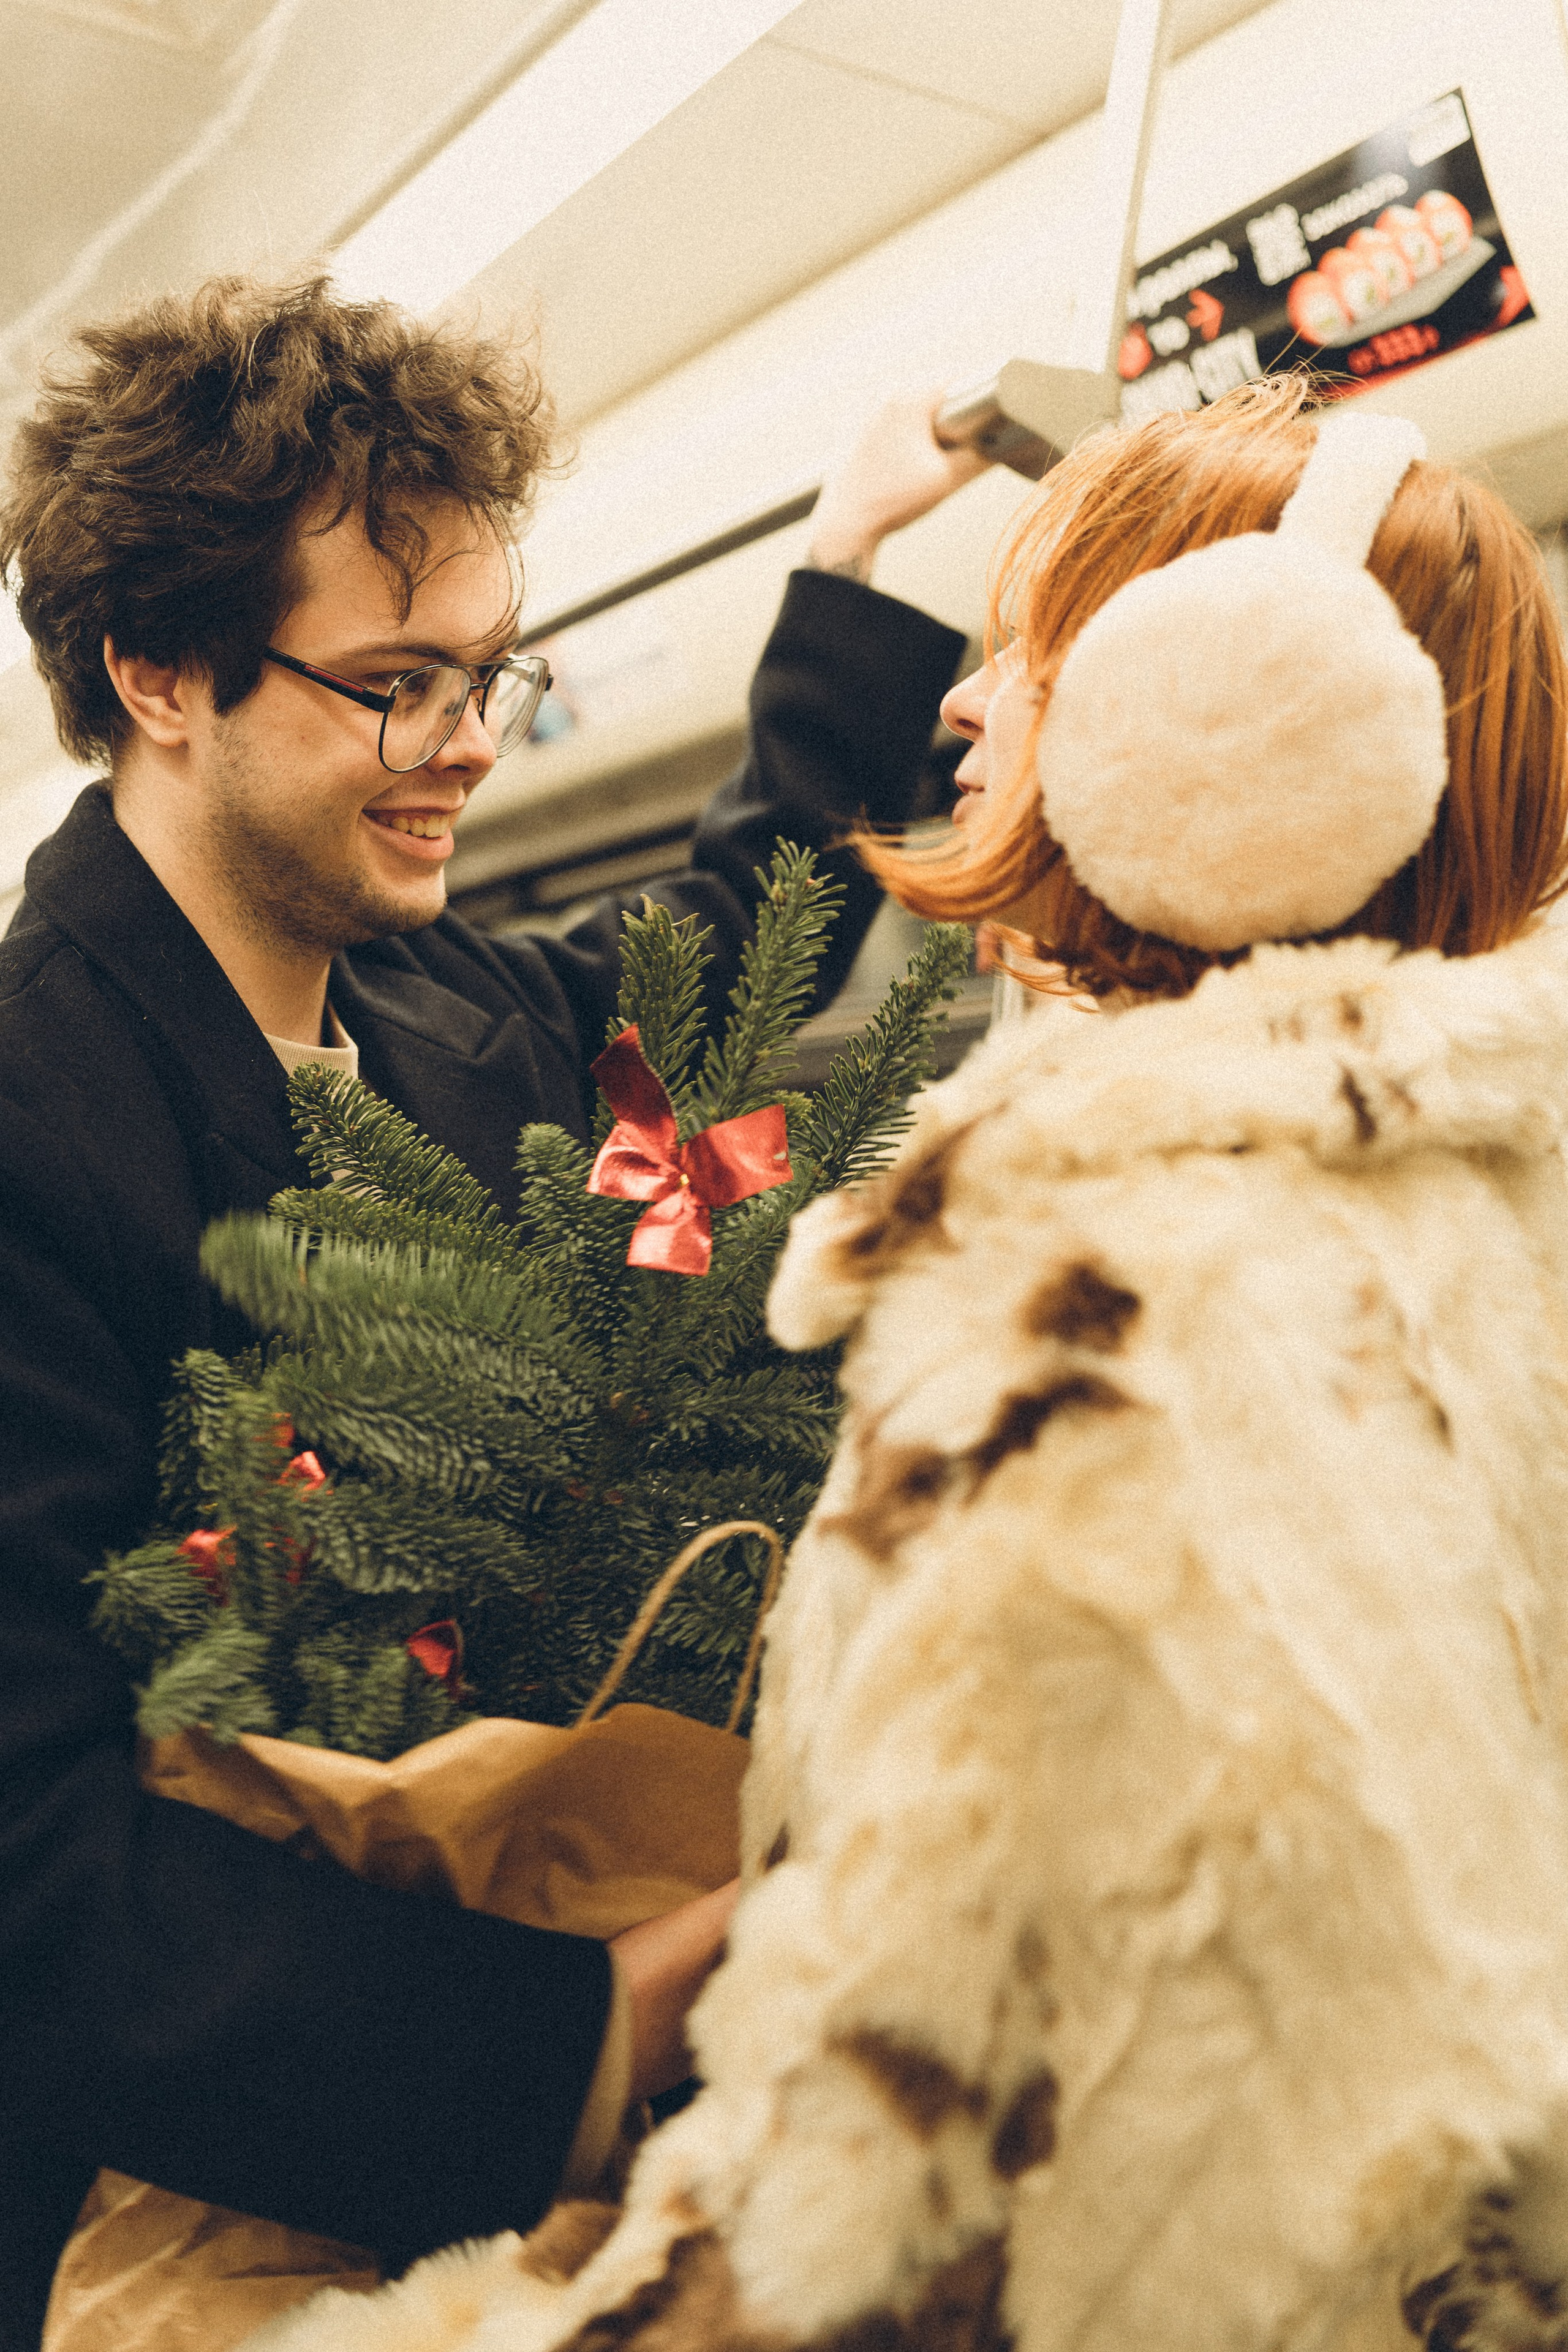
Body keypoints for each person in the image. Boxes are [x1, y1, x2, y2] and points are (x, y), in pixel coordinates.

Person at [309, 375, 1568, 2352]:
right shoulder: (1453, 1221)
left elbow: (884, 2194)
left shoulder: (1115, 1308)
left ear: (1229, 716)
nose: (965, 711)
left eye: (1033, 658)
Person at [0, 272, 983, 2343]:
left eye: (492, 673)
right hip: (202, 2199)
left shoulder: (450, 1008)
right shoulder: (31, 1126)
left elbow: (729, 942)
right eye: (397, 683)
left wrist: (847, 560)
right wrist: (586, 2031)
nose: (466, 743)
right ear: (157, 669)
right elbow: (37, 1867)